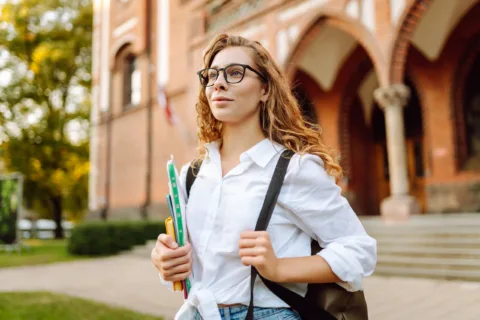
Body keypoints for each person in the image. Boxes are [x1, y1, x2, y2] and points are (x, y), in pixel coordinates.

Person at [151, 34, 377, 320]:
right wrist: (165, 261)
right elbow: (193, 261)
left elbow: (360, 250)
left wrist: (280, 267)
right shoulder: (192, 175)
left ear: (265, 90)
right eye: (211, 75)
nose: (218, 83)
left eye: (235, 73)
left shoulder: (293, 169)